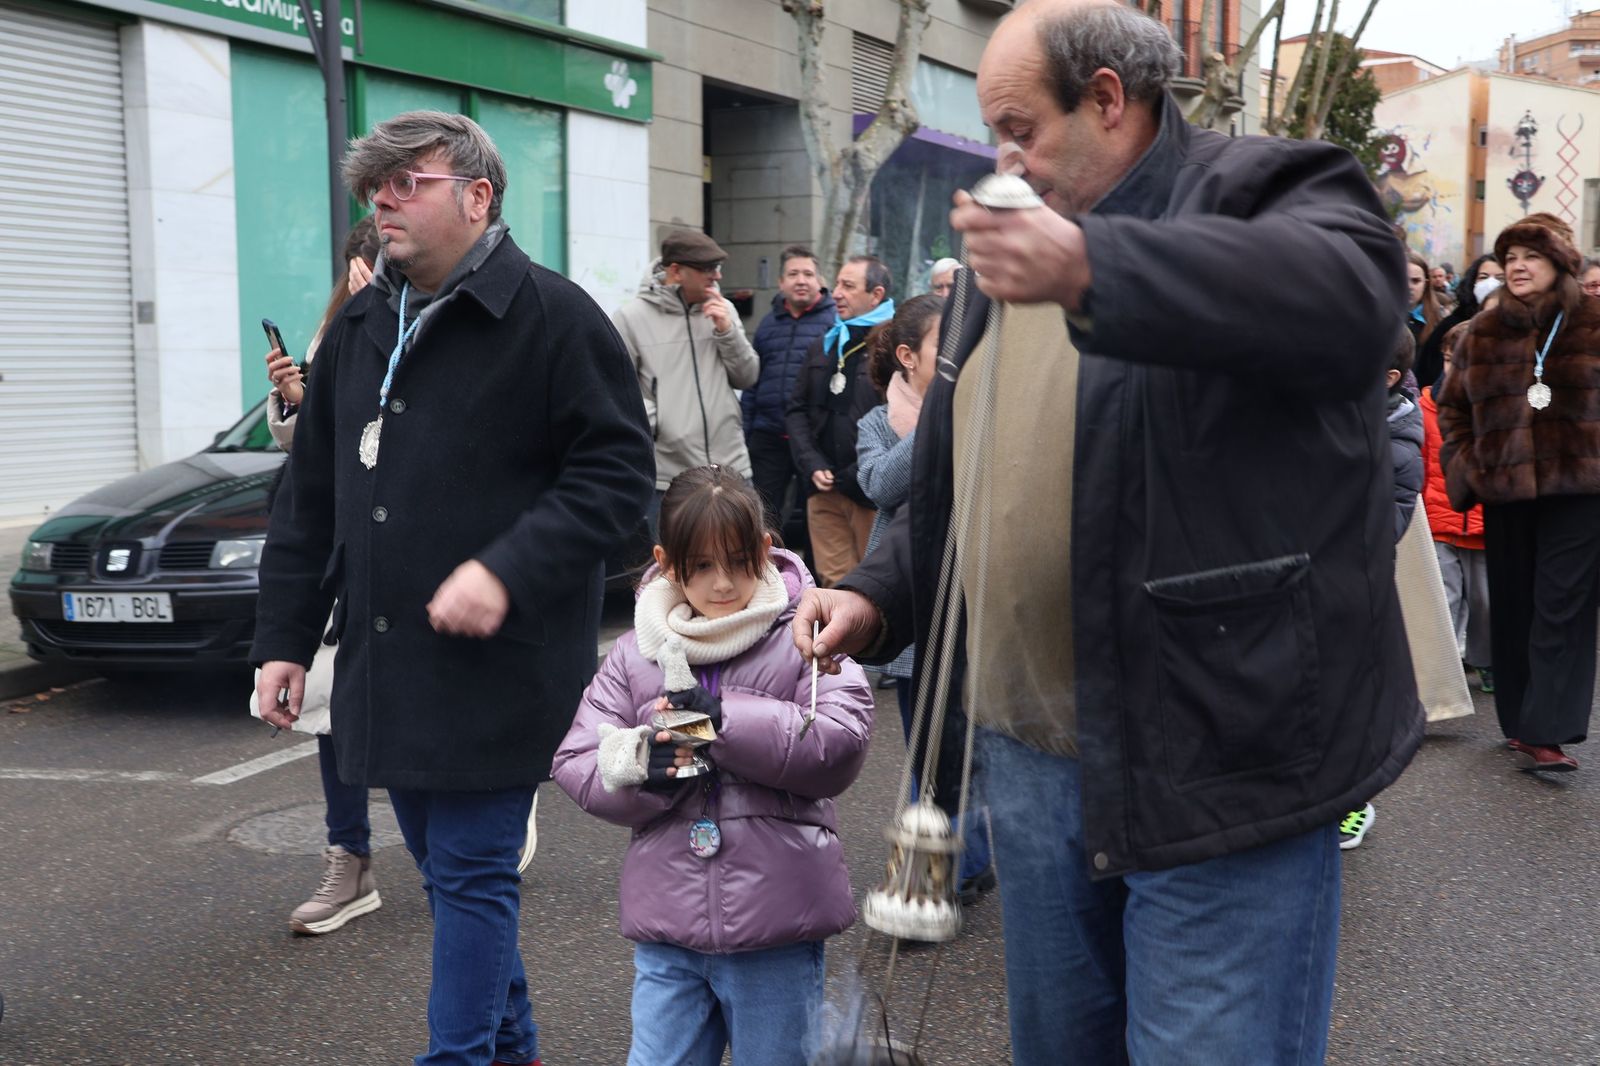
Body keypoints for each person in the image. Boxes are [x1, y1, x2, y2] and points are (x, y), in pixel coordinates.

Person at [792, 3, 1420, 1062]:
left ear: (1109, 101)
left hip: (1219, 755)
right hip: (1032, 763)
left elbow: (1354, 305)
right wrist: (877, 589)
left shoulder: (1264, 183)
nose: (1002, 160)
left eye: (1017, 128)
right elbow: (968, 476)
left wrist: (1094, 269)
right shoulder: (1009, 253)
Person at [252, 110, 654, 1066]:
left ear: (478, 198)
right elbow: (310, 499)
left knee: (472, 879)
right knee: (449, 879)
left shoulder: (554, 318)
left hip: (497, 672)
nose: (382, 201)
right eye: (373, 186)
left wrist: (504, 568)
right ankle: (514, 1049)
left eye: (407, 182)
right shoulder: (357, 323)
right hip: (386, 665)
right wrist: (283, 640)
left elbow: (618, 485)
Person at [551, 465, 872, 1066]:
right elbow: (575, 758)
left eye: (739, 561)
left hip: (775, 924)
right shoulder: (634, 650)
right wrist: (644, 769)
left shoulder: (805, 634)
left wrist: (723, 721)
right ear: (667, 561)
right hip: (667, 928)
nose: (722, 583)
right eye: (700, 566)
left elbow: (840, 743)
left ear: (765, 550)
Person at [253, 216, 388, 935]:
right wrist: (292, 396)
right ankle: (350, 858)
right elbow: (310, 444)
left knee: (425, 699)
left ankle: (486, 815)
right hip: (336, 540)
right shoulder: (329, 331)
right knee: (329, 706)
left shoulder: (427, 323)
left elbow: (398, 431)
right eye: (360, 264)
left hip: (407, 545)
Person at [1436, 212, 1600, 775]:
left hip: (1580, 492)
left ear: (1560, 263)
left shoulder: (1595, 322)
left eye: (1531, 256)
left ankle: (1545, 730)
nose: (1518, 267)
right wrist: (1467, 468)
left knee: (1562, 606)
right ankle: (1520, 721)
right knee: (1514, 607)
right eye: (1510, 259)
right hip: (1506, 492)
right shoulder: (1481, 332)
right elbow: (1452, 408)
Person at [855, 292, 994, 900]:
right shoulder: (878, 423)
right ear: (909, 357)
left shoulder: (984, 405)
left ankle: (969, 861)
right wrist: (940, 414)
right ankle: (926, 879)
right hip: (914, 602)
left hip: (978, 598)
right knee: (927, 747)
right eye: (947, 347)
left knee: (980, 740)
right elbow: (882, 485)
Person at [614, 231, 760, 537]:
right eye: (707, 269)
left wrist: (727, 331)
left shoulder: (723, 309)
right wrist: (657, 423)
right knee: (674, 573)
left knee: (742, 565)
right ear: (676, 271)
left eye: (717, 267)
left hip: (731, 466)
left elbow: (747, 376)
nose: (717, 276)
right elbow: (616, 391)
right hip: (669, 476)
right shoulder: (631, 318)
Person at [1339, 325, 1424, 850]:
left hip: (1355, 578)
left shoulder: (1396, 431)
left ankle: (1356, 802)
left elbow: (1391, 518)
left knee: (1349, 700)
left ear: (1389, 378)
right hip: (1316, 573)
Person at [785, 256, 895, 586]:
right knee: (836, 586)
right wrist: (812, 463)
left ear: (875, 295)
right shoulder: (826, 343)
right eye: (836, 284)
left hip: (870, 492)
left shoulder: (895, 345)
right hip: (823, 489)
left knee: (877, 586)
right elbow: (796, 410)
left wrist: (855, 474)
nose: (835, 293)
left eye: (848, 286)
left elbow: (900, 419)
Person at [742, 246, 836, 538]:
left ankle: (813, 581)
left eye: (808, 274)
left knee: (817, 520)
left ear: (820, 280)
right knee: (764, 516)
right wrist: (747, 431)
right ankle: (769, 576)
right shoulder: (768, 325)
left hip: (813, 440)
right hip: (769, 437)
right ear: (781, 282)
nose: (801, 280)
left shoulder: (834, 323)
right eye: (793, 274)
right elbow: (753, 383)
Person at [1421, 322, 1492, 693]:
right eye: (1449, 360)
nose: (1454, 369)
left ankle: (1485, 660)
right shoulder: (1425, 406)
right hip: (1438, 522)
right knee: (1444, 599)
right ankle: (1441, 671)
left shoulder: (1496, 412)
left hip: (1482, 525)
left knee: (1484, 603)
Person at [1415, 252, 1504, 390]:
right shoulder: (1450, 325)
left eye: (1500, 278)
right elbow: (1428, 375)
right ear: (1472, 282)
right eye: (1483, 277)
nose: (1491, 283)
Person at [1407, 249, 1443, 350]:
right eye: (1403, 280)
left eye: (1416, 281)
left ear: (1426, 284)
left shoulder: (1437, 317)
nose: (1409, 286)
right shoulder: (1383, 316)